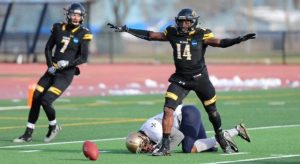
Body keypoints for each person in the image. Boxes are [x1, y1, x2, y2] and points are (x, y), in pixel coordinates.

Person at [108, 8, 256, 155]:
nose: (183, 24)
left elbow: (219, 42)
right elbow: (152, 35)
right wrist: (127, 29)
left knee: (213, 113)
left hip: (200, 79)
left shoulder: (201, 33)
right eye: (181, 21)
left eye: (187, 22)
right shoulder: (172, 32)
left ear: (193, 22)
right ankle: (165, 147)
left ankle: (220, 136)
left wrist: (238, 40)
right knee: (167, 110)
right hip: (180, 79)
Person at [13, 3, 93, 143]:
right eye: (73, 14)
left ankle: (54, 126)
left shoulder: (84, 33)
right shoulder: (58, 28)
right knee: (36, 97)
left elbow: (84, 57)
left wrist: (68, 63)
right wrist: (50, 65)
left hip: (65, 74)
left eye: (78, 15)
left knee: (46, 100)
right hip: (52, 70)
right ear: (68, 15)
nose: (75, 18)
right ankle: (28, 133)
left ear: (82, 17)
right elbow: (48, 49)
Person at [125, 105, 251, 154]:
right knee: (209, 148)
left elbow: (179, 136)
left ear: (143, 137)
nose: (146, 148)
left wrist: (165, 149)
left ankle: (230, 133)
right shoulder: (145, 129)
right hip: (187, 114)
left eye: (143, 145)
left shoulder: (155, 132)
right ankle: (233, 132)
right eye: (142, 149)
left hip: (187, 115)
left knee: (189, 149)